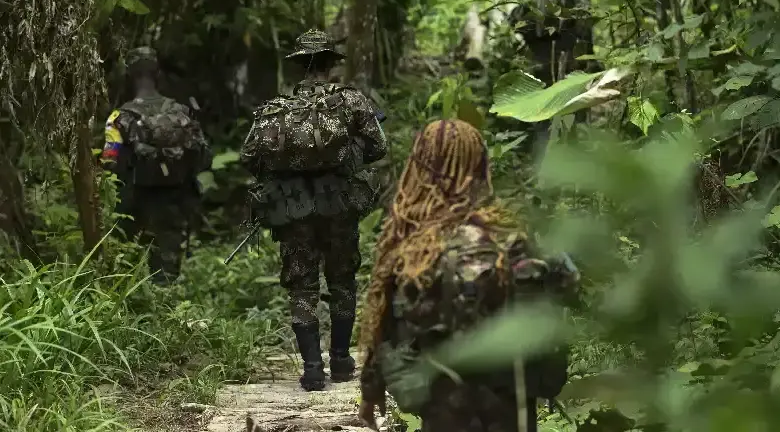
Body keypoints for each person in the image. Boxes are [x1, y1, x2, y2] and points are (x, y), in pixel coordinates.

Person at [357, 119, 579, 432]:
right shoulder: (508, 235)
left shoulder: (414, 243)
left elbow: (385, 326)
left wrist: (371, 391)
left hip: (444, 402)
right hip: (509, 399)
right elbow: (564, 289)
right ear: (480, 166)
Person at [239, 29, 388, 391]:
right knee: (342, 281)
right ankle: (340, 359)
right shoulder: (352, 101)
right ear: (330, 64)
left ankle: (311, 368)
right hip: (340, 206)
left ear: (298, 67)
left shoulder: (276, 109)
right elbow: (378, 147)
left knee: (302, 284)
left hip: (294, 210)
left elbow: (249, 157)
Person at [100, 46, 213, 284]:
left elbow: (108, 161)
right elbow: (204, 157)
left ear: (129, 75)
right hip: (175, 200)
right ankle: (168, 302)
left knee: (132, 259)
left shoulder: (119, 117)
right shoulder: (182, 112)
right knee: (168, 261)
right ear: (157, 74)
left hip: (135, 202)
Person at [509, 0, 598, 164]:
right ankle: (566, 173)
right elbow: (585, 32)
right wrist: (593, 67)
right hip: (568, 67)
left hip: (538, 66)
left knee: (542, 120)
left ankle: (541, 171)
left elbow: (514, 20)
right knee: (572, 120)